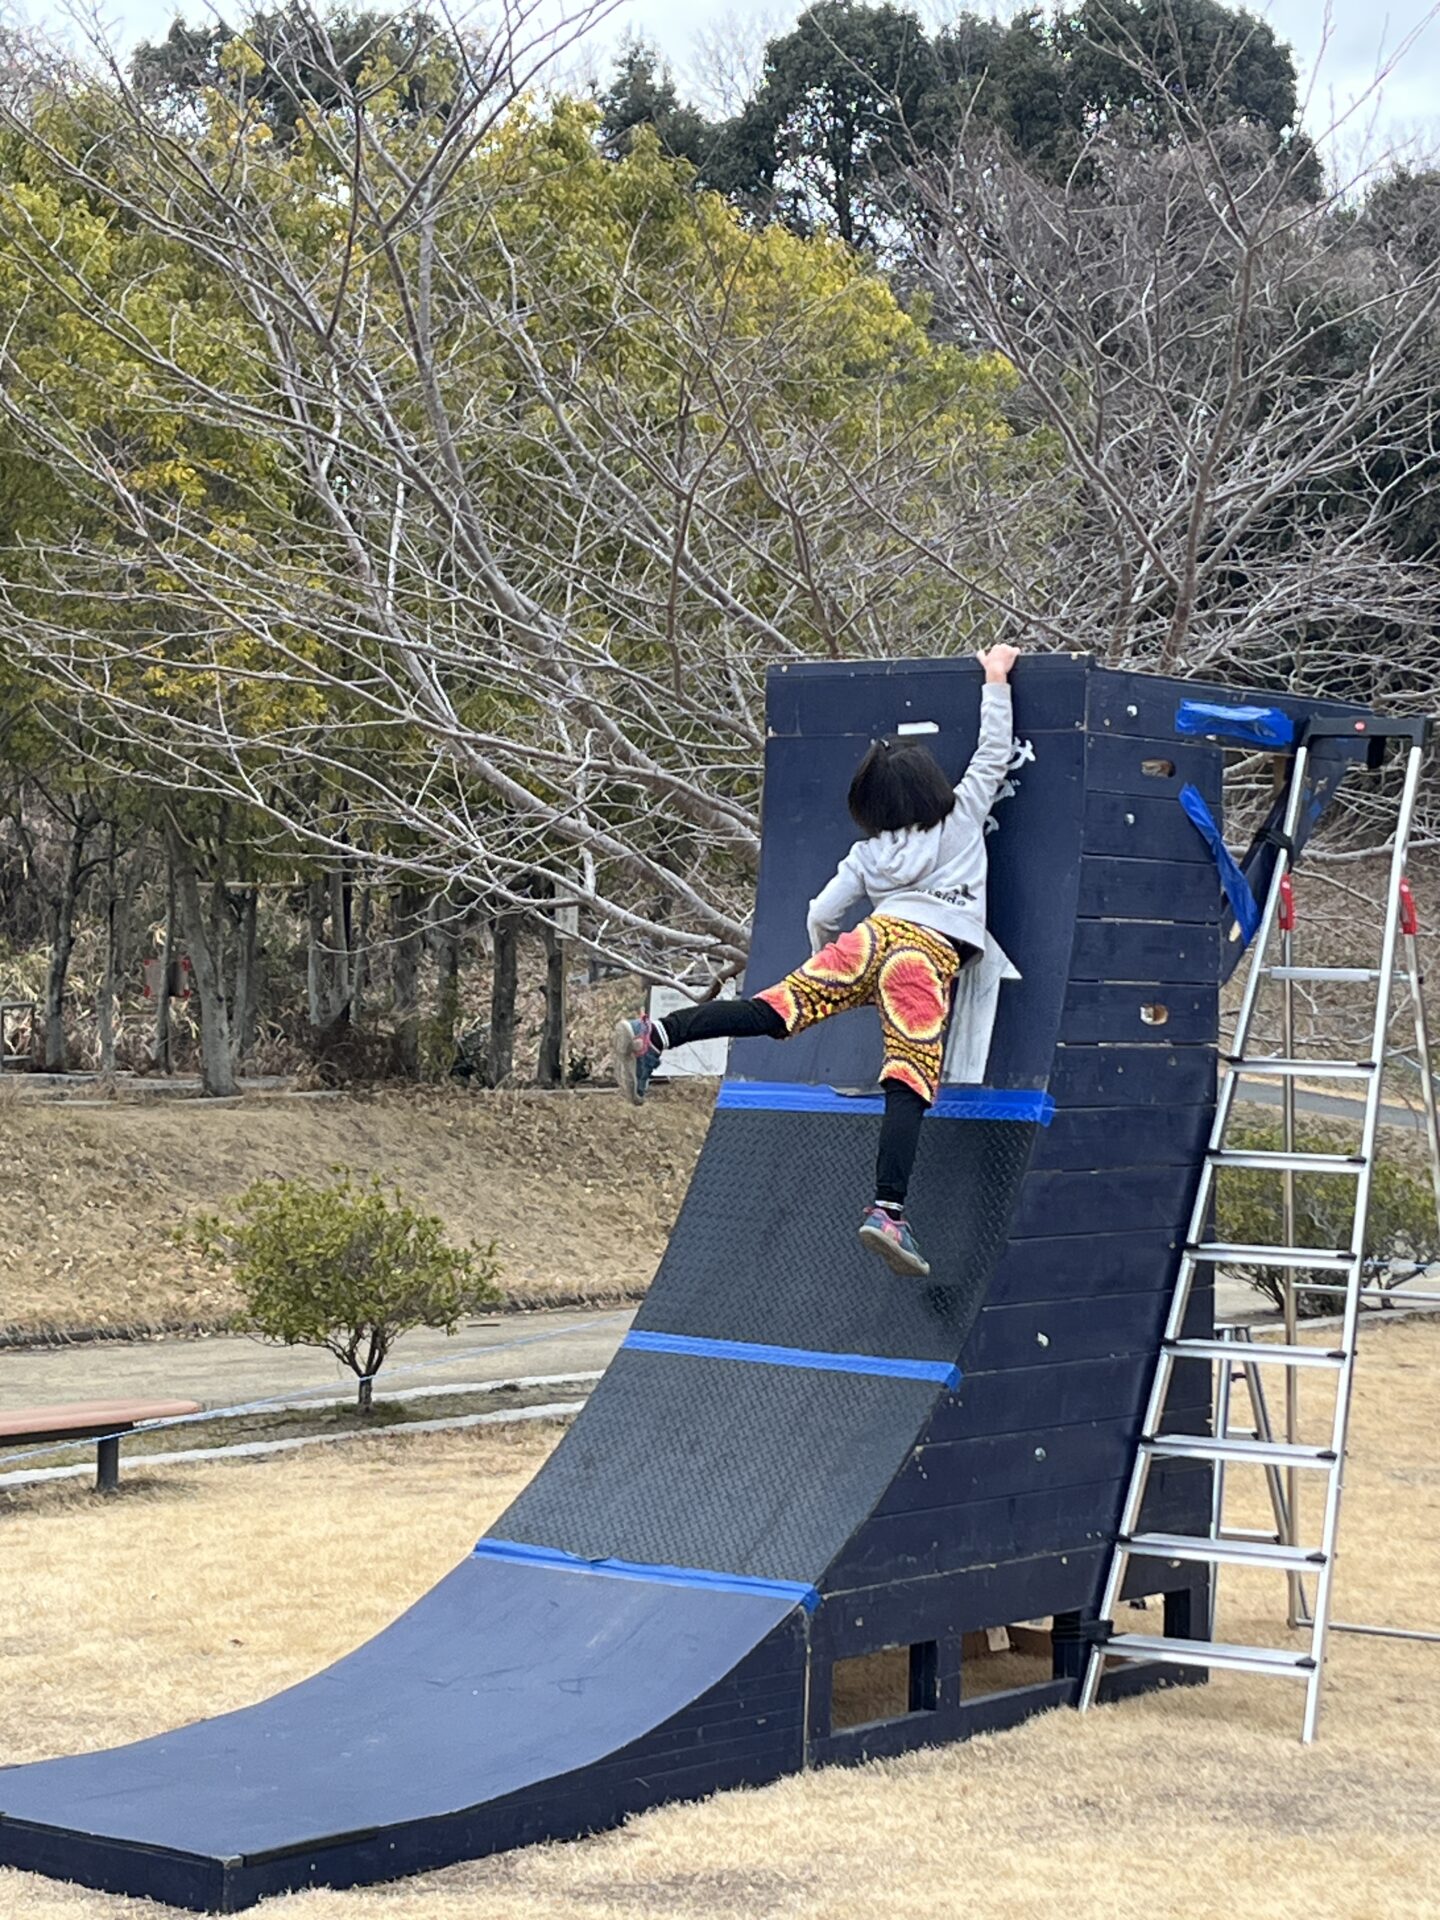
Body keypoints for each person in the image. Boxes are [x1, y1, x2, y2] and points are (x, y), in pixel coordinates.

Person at [614, 645, 1020, 1279]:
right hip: (922, 958)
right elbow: (993, 754)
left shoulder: (867, 857)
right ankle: (888, 1212)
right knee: (908, 1080)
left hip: (865, 942)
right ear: (933, 789)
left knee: (769, 1011)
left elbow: (820, 911)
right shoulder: (962, 818)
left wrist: (824, 969)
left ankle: (656, 1035)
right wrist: (996, 678)